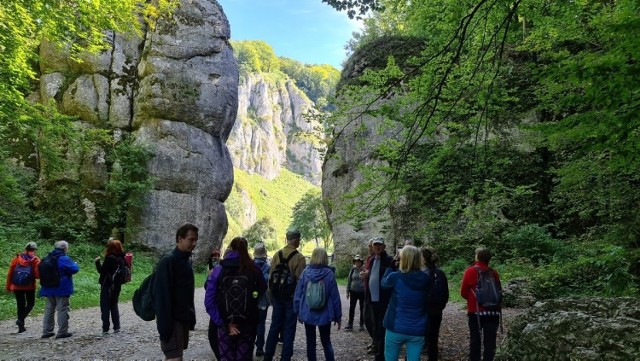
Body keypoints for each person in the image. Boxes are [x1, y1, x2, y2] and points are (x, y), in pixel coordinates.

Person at [205, 237, 267, 361]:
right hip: (248, 325)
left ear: (231, 248)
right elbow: (262, 292)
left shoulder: (219, 270)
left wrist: (224, 323)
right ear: (246, 249)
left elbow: (209, 302)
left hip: (225, 325)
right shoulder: (255, 269)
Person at [154, 223, 198, 361]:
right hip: (172, 321)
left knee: (176, 356)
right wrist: (165, 327)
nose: (194, 243)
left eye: (196, 240)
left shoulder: (186, 261)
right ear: (180, 239)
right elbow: (161, 297)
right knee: (174, 357)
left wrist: (190, 317)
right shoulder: (168, 261)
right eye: (191, 239)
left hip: (182, 319)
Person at [263, 230, 307, 361]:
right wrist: (300, 302)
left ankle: (268, 356)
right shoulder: (300, 258)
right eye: (299, 239)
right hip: (291, 298)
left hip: (277, 297)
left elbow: (271, 277)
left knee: (274, 327)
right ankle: (285, 358)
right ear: (296, 240)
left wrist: (271, 296)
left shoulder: (277, 254)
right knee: (289, 329)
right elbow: (301, 282)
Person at [381, 245, 431, 361]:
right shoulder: (426, 279)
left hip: (395, 327)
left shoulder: (395, 277)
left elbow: (383, 284)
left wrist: (390, 268)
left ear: (402, 259)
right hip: (417, 329)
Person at [294, 247, 342, 361]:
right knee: (326, 341)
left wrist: (298, 312)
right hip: (325, 314)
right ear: (325, 258)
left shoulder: (305, 273)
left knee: (310, 343)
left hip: (308, 312)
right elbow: (335, 297)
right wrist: (338, 316)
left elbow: (298, 294)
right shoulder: (329, 274)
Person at [461, 247, 502, 361]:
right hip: (493, 311)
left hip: (476, 311)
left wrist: (474, 299)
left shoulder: (470, 271)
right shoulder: (493, 272)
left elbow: (463, 292)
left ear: (477, 256)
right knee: (490, 342)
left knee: (475, 340)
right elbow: (498, 291)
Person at [360, 237, 394, 361]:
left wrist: (371, 274)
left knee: (382, 327)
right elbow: (370, 274)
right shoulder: (372, 259)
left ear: (384, 246)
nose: (377, 247)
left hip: (384, 299)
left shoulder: (389, 260)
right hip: (371, 298)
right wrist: (365, 275)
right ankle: (378, 352)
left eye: (380, 245)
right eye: (375, 245)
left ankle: (382, 355)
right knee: (374, 325)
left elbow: (389, 276)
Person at [39, 240, 80, 339]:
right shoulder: (63, 258)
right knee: (62, 309)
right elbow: (74, 269)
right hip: (61, 288)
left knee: (49, 309)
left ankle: (47, 331)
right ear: (65, 248)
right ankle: (62, 332)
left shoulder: (47, 257)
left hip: (48, 287)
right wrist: (75, 263)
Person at [5, 241, 41, 333]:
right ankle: (20, 320)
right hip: (29, 286)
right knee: (30, 304)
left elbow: (10, 273)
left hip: (16, 286)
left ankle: (21, 327)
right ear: (35, 250)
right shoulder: (35, 259)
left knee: (20, 305)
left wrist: (8, 286)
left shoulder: (16, 258)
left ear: (25, 249)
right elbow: (37, 275)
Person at [422, 246, 449, 361]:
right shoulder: (441, 273)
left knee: (417, 338)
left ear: (423, 259)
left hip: (423, 310)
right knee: (433, 338)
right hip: (437, 311)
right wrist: (440, 307)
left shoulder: (422, 274)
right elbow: (446, 295)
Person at [95, 239, 126, 334]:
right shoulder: (122, 258)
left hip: (107, 285)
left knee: (105, 306)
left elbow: (102, 271)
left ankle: (105, 328)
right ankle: (117, 327)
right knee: (114, 305)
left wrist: (97, 262)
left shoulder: (110, 258)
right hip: (117, 285)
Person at [253, 243, 271, 356]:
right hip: (263, 300)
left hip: (252, 299)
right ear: (264, 255)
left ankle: (249, 345)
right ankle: (260, 348)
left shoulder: (250, 265)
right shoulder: (268, 268)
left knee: (251, 323)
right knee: (261, 324)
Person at [206, 248, 222, 360]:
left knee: (213, 336)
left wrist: (210, 277)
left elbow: (208, 289)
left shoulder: (219, 270)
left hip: (219, 310)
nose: (215, 258)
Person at [345, 254, 365, 331]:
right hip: (353, 291)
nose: (357, 263)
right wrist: (347, 291)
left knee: (362, 308)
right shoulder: (353, 270)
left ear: (361, 262)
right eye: (356, 261)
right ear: (354, 262)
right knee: (352, 308)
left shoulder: (364, 269)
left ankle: (362, 324)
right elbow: (349, 280)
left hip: (362, 291)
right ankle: (350, 324)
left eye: (359, 261)